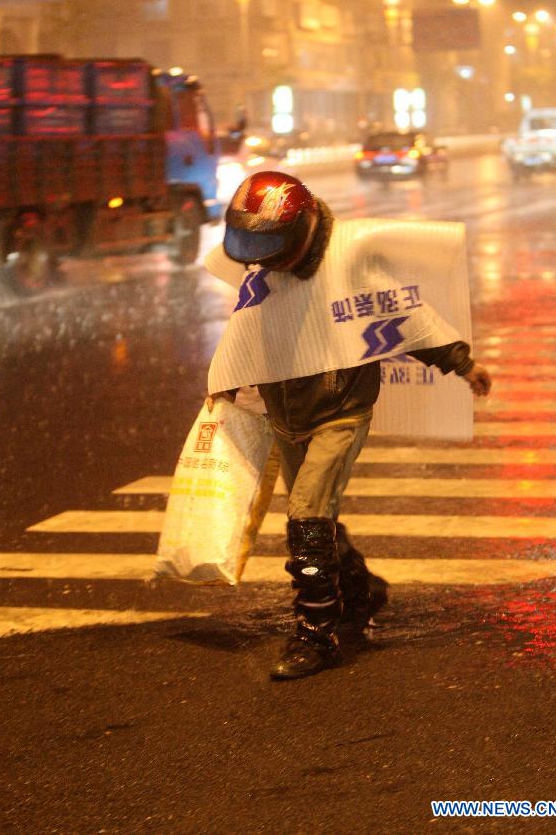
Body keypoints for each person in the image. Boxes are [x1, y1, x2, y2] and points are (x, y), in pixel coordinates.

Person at [206, 171, 492, 681]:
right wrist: (227, 380)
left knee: (306, 516)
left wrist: (460, 362)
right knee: (315, 519)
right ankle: (360, 589)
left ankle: (317, 634)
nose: (262, 254)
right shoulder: (265, 270)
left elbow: (403, 314)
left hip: (341, 409)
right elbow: (246, 328)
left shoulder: (347, 260)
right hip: (285, 414)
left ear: (304, 228)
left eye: (271, 242)